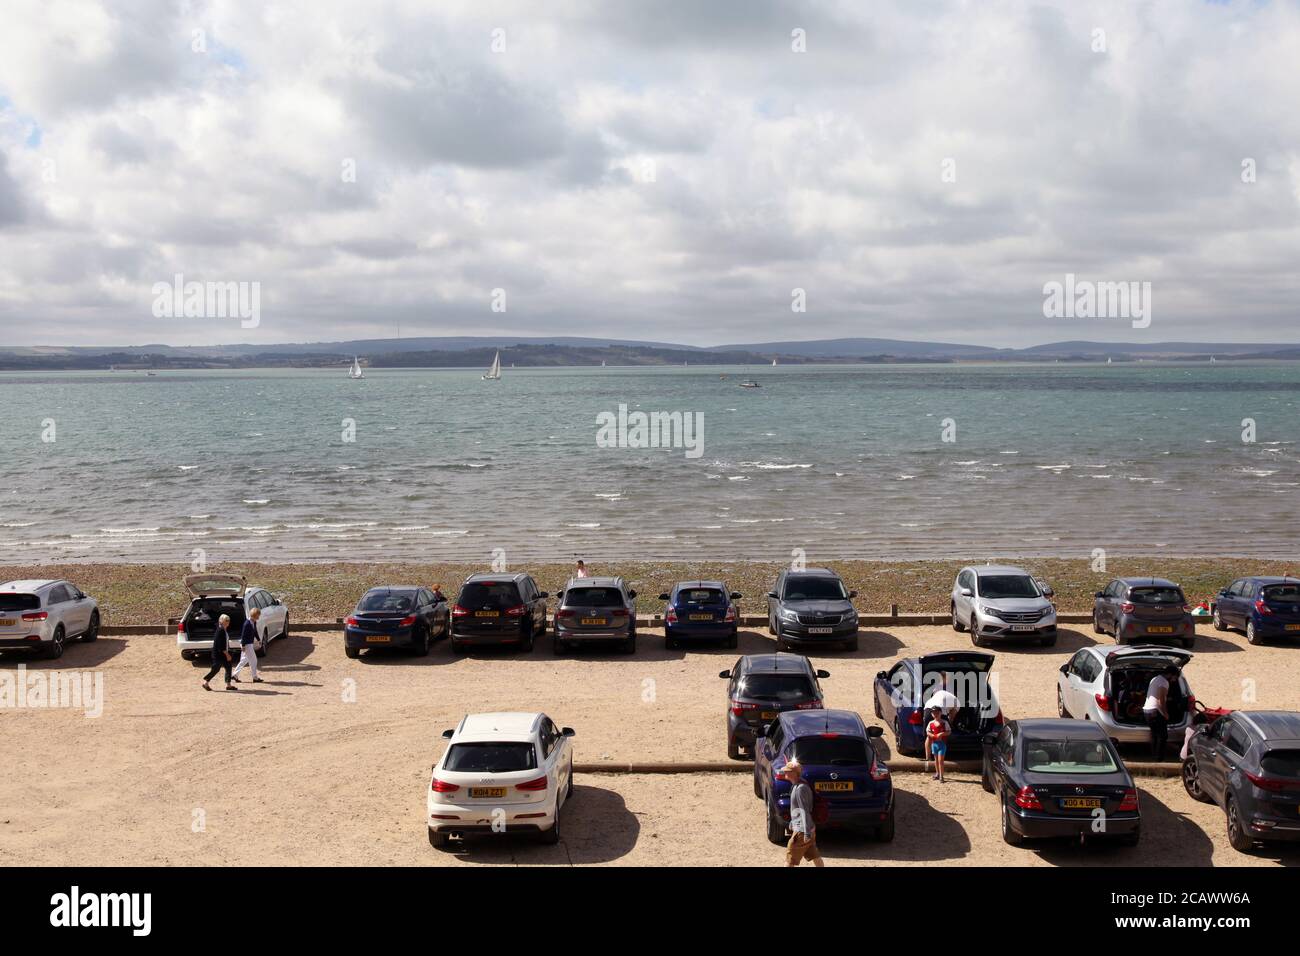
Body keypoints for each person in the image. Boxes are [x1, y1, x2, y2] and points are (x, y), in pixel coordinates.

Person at [780, 759, 824, 867]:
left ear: (794, 773)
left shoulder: (800, 788)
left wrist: (806, 832)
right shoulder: (798, 785)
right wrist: (792, 822)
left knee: (789, 859)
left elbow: (804, 810)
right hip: (806, 828)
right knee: (815, 856)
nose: (785, 772)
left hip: (802, 831)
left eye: (787, 771)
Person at [1144, 665, 1179, 760]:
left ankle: (1154, 757)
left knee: (1154, 734)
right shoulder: (1164, 682)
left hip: (1147, 711)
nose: (1175, 680)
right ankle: (1159, 758)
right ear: (1171, 674)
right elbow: (1161, 699)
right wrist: (1165, 713)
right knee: (1162, 735)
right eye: (1175, 677)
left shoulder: (1155, 679)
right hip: (1155, 712)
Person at [202, 614, 236, 691]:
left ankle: (228, 685)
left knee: (228, 667)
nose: (228, 622)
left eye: (228, 620)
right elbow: (221, 645)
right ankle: (205, 683)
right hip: (219, 654)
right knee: (215, 669)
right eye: (226, 620)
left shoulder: (223, 629)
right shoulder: (221, 630)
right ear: (221, 621)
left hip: (222, 653)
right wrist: (227, 654)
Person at [231, 607, 264, 684]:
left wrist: (258, 639)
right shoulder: (247, 624)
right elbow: (243, 635)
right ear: (254, 615)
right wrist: (243, 645)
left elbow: (255, 631)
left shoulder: (253, 622)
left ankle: (234, 675)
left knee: (244, 660)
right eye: (257, 616)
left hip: (248, 644)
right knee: (254, 660)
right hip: (246, 644)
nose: (258, 617)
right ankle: (255, 677)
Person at [925, 706, 950, 782]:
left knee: (940, 760)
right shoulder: (931, 723)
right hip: (934, 744)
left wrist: (942, 734)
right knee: (936, 760)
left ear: (940, 713)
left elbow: (949, 732)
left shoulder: (944, 722)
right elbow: (928, 732)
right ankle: (937, 773)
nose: (935, 714)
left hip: (942, 745)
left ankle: (941, 776)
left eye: (937, 712)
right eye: (933, 713)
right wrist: (931, 735)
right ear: (932, 714)